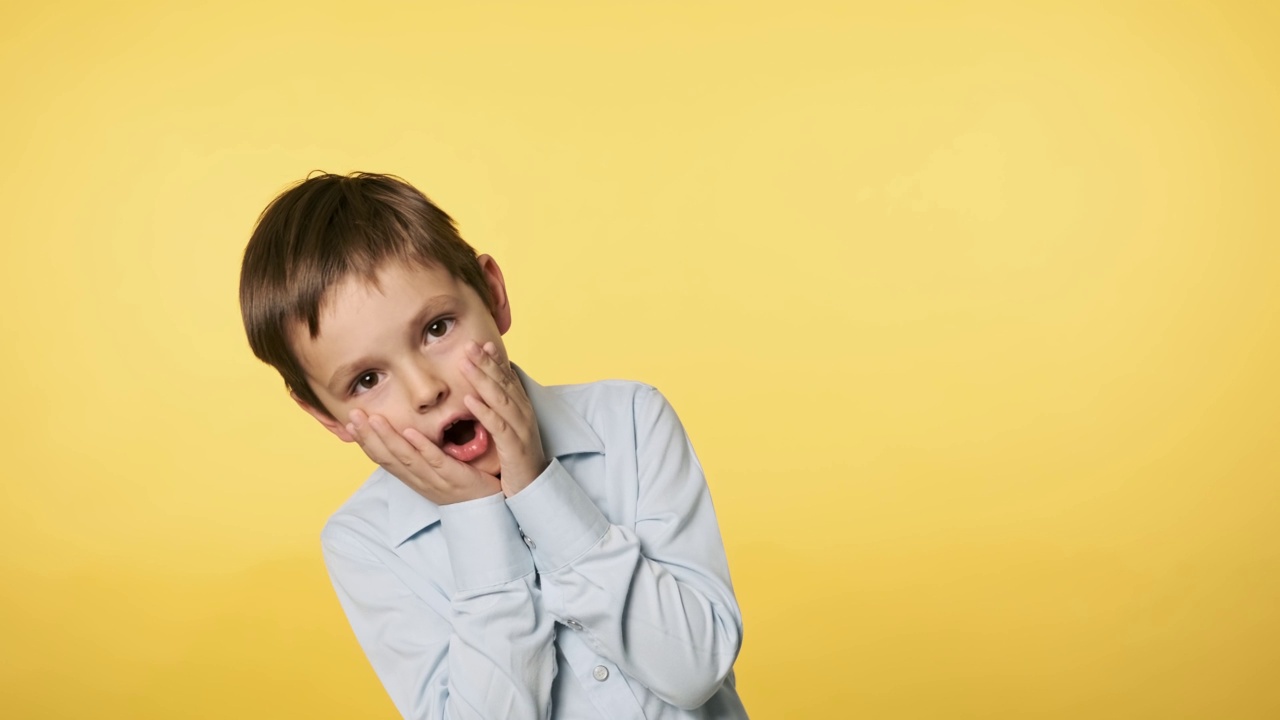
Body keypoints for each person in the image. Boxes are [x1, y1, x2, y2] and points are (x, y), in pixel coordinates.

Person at [239, 172, 748, 719]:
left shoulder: (629, 420)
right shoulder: (365, 540)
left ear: (493, 295)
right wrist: (477, 522)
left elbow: (695, 668)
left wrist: (538, 487)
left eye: (437, 328)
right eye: (366, 380)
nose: (426, 389)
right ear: (325, 415)